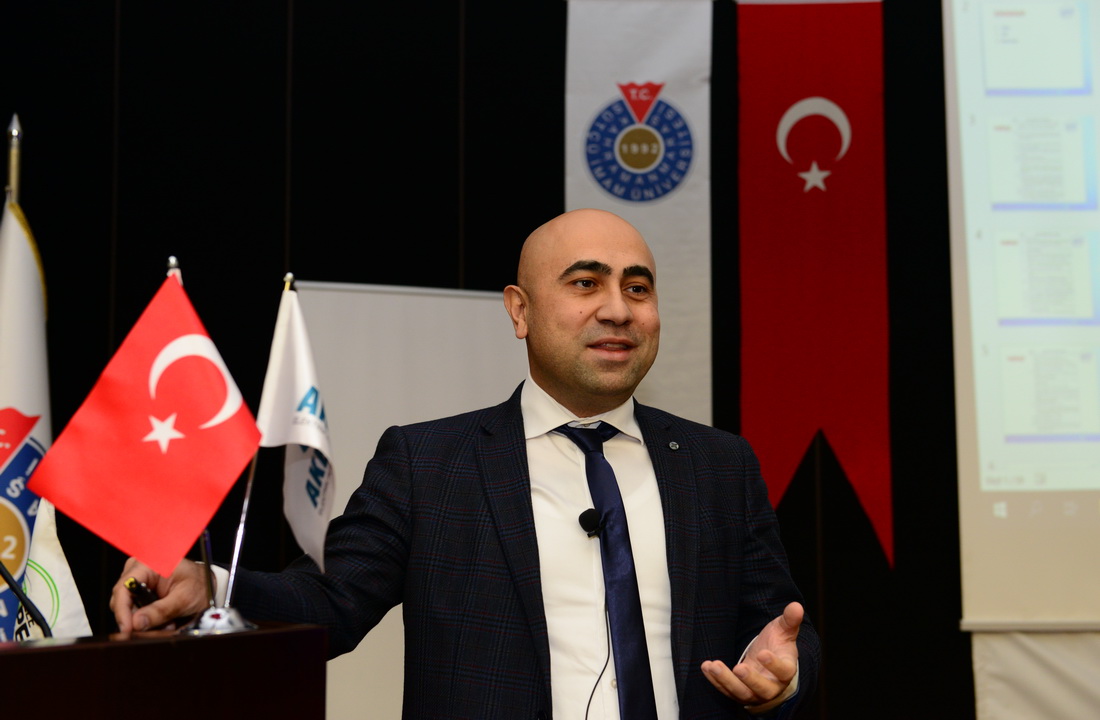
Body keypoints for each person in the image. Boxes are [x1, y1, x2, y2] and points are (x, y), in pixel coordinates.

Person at [112, 208, 819, 718]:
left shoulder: (719, 466)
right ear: (520, 311)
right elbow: (329, 602)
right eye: (585, 283)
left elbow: (782, 629)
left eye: (638, 288)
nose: (618, 309)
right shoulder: (429, 465)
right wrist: (210, 586)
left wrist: (783, 678)